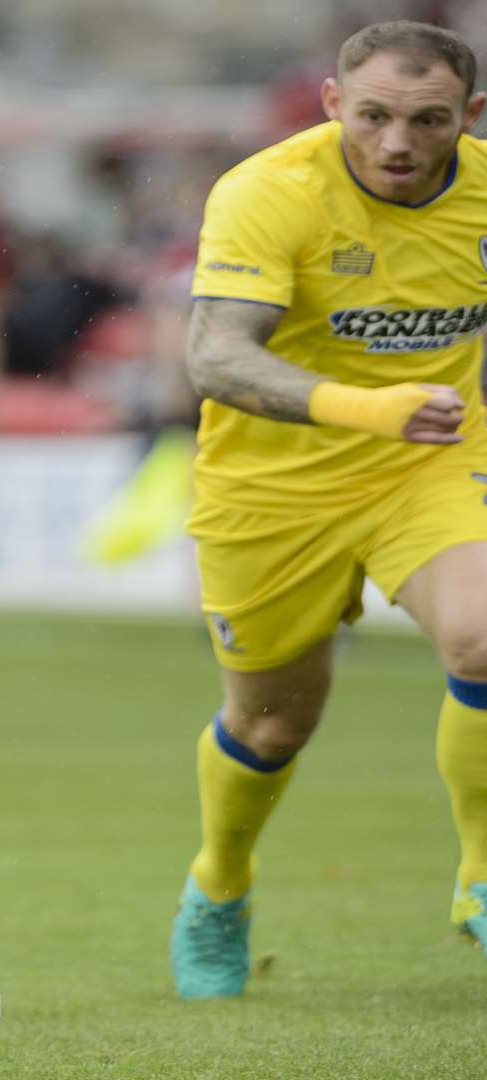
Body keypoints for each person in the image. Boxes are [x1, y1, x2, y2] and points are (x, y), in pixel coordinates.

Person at [169, 19, 487, 998]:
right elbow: (214, 357)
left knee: (482, 640)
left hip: (429, 466)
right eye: (377, 117)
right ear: (333, 104)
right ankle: (218, 886)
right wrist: (367, 407)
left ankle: (481, 877)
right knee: (271, 728)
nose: (398, 144)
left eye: (428, 121)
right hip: (272, 489)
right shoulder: (269, 191)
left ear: (469, 118)